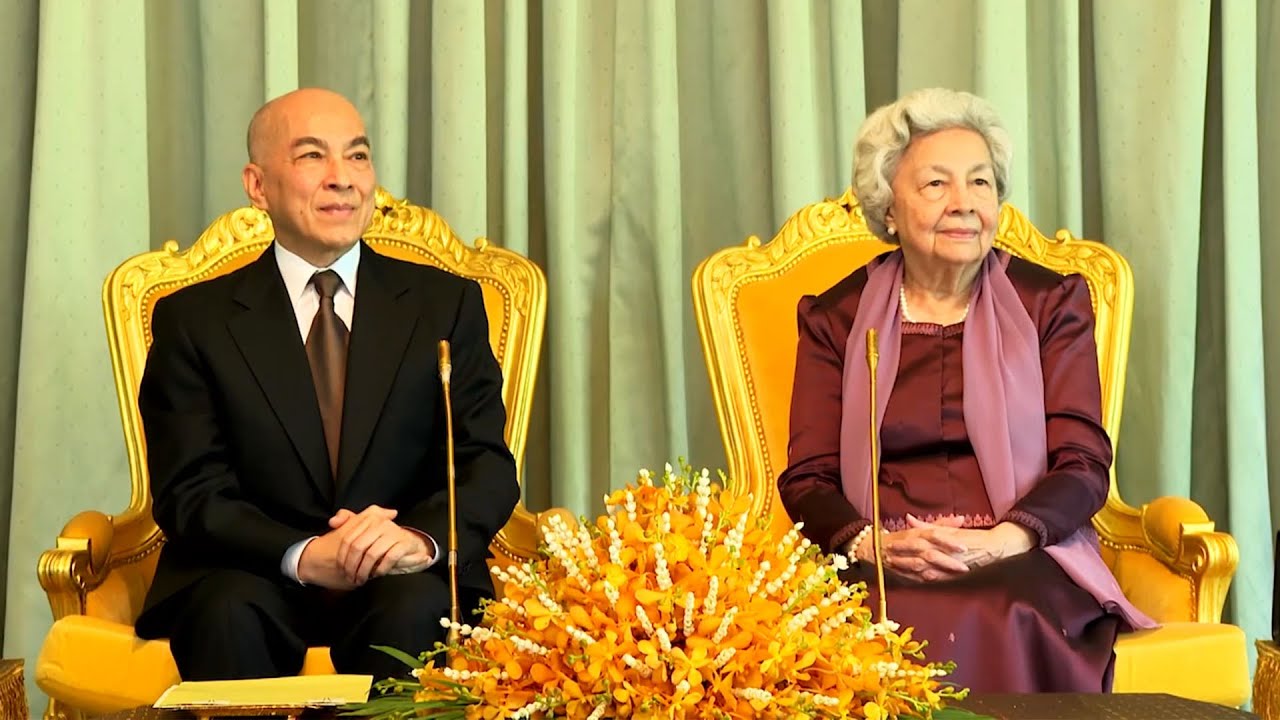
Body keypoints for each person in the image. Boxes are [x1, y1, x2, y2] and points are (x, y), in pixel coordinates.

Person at [777, 87, 1156, 693]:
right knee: (871, 619)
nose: (964, 204)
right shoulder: (836, 318)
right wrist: (874, 544)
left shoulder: (1051, 303)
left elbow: (1083, 465)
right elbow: (809, 476)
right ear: (889, 210)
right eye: (936, 185)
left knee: (1003, 610)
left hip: (1021, 552)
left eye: (980, 183)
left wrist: (1001, 541)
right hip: (883, 556)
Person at [134, 88, 519, 682]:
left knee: (418, 609)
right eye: (313, 156)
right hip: (253, 571)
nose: (343, 179)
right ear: (258, 186)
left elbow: (485, 464)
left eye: (358, 156)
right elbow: (191, 489)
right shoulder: (196, 320)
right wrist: (307, 555)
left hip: (401, 572)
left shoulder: (445, 305)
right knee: (226, 612)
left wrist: (418, 540)